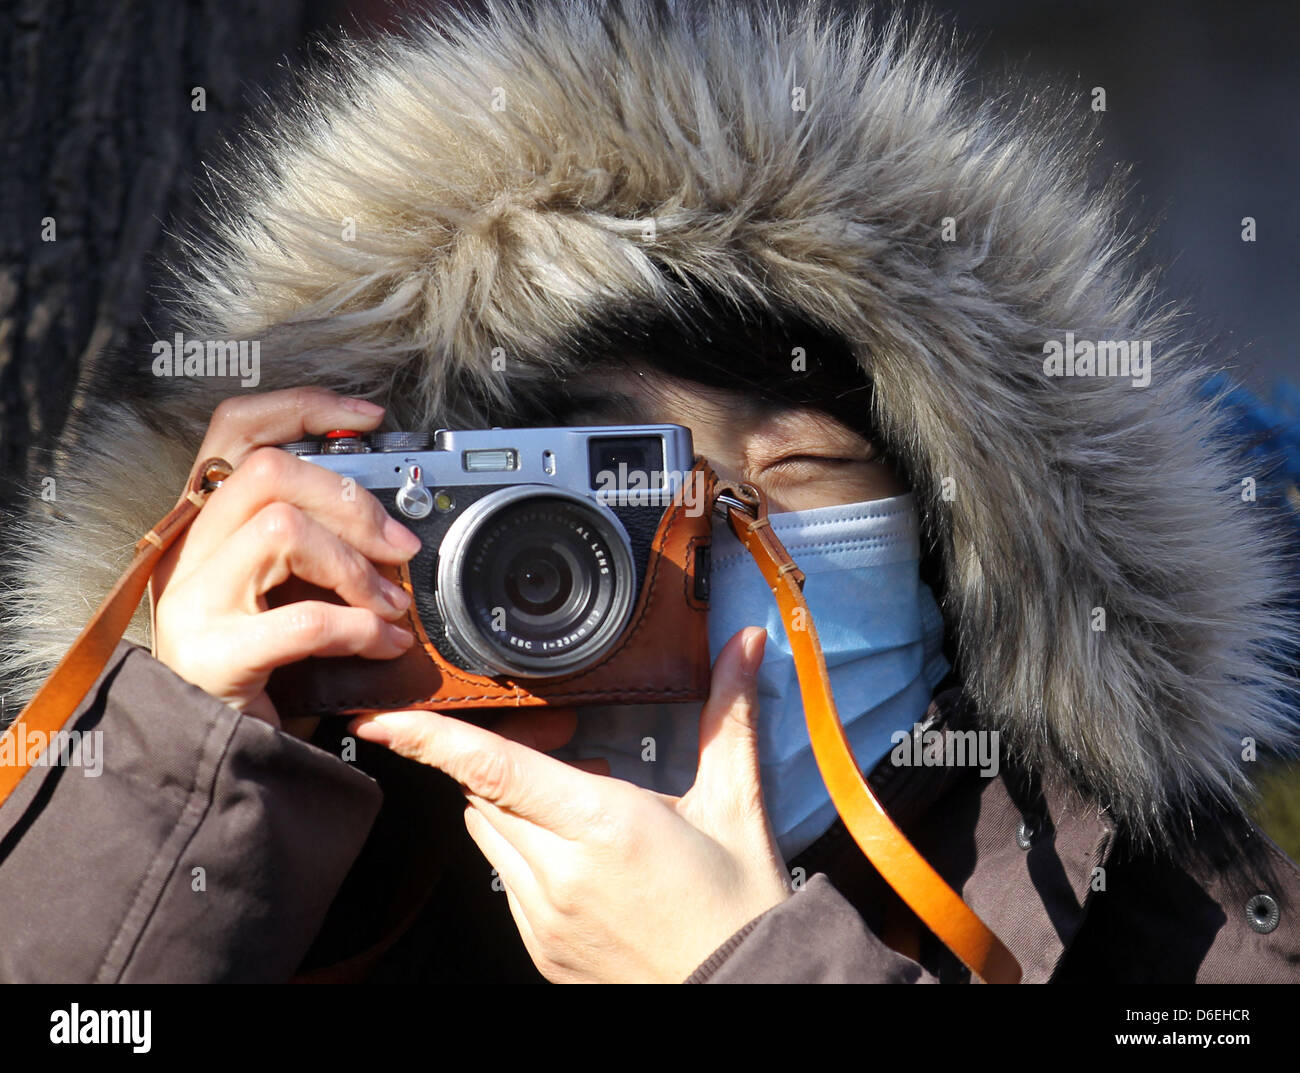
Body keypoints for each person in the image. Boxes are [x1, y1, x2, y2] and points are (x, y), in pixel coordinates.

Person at [2, 0, 1298, 983]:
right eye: (594, 500)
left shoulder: (1185, 918)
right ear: (409, 511)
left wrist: (739, 958)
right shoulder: (329, 863)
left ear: (955, 545)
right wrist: (186, 769)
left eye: (794, 473)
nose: (689, 555)